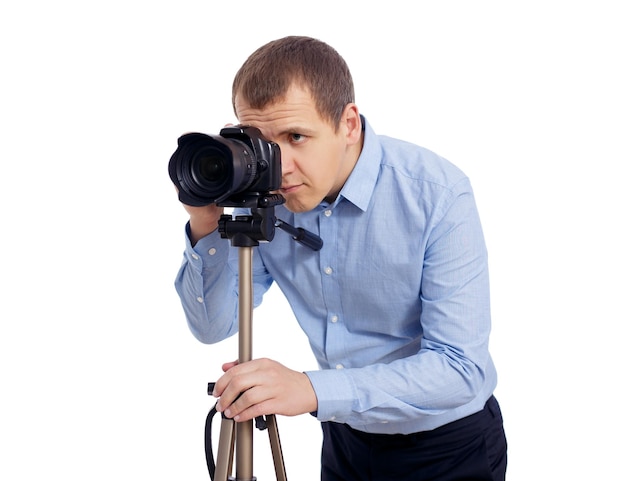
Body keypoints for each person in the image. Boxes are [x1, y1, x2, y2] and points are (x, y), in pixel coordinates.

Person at [172, 35, 507, 480]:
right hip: (344, 440)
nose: (281, 165)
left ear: (348, 124)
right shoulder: (265, 196)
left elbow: (459, 368)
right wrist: (205, 224)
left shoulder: (436, 195)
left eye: (296, 137)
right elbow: (212, 326)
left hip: (447, 448)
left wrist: (310, 388)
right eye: (262, 141)